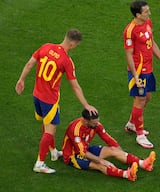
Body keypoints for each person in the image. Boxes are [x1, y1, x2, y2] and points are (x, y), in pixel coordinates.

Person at [15, 29, 98, 174]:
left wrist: (21, 79)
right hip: (49, 100)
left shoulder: (46, 47)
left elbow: (29, 64)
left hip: (36, 95)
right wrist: (86, 104)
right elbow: (75, 86)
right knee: (50, 130)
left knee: (46, 124)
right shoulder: (66, 60)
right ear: (72, 44)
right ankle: (39, 163)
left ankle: (53, 152)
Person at [123, 0, 160, 149]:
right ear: (138, 14)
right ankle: (140, 134)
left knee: (147, 98)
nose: (149, 13)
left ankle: (132, 123)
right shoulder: (130, 30)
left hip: (148, 69)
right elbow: (128, 54)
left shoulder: (147, 23)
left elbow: (151, 42)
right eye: (146, 12)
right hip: (138, 71)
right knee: (140, 99)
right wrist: (135, 76)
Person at [62, 109, 156, 182]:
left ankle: (143, 164)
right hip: (73, 156)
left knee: (113, 150)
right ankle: (127, 174)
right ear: (86, 121)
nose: (97, 124)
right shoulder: (75, 130)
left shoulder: (95, 125)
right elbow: (83, 153)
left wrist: (120, 152)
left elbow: (108, 139)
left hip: (86, 148)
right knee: (99, 165)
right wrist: (101, 161)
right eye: (94, 123)